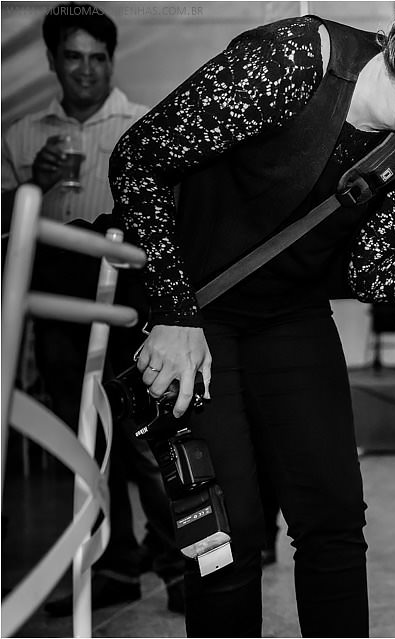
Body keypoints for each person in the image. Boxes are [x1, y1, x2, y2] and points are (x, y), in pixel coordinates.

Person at [108, 2, 395, 636]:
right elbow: (137, 158)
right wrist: (174, 313)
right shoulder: (290, 61)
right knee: (226, 538)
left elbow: (372, 273)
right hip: (195, 316)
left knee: (334, 521)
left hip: (290, 316)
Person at [0, 2, 186, 616]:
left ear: (112, 61)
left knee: (145, 439)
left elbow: (167, 219)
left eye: (97, 58)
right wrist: (35, 184)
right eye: (73, 57)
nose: (86, 70)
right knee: (80, 440)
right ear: (52, 61)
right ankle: (113, 567)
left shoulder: (144, 125)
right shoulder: (20, 136)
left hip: (129, 299)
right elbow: (7, 230)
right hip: (55, 305)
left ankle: (179, 568)